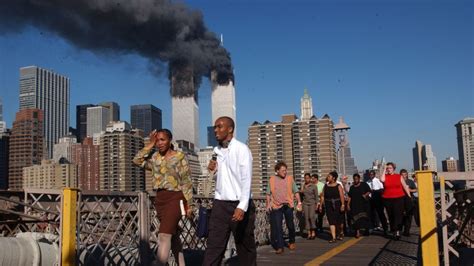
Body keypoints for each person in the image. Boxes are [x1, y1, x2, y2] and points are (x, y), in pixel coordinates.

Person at [133, 129, 193, 266]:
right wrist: (150, 144)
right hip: (160, 199)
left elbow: (187, 181)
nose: (159, 143)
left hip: (176, 198)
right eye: (157, 140)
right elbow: (137, 160)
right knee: (174, 237)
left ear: (170, 140)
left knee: (164, 235)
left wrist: (190, 204)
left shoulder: (179, 156)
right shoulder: (155, 158)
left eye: (162, 140)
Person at [203, 117, 256, 266]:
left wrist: (242, 205)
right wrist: (214, 170)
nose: (215, 130)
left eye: (219, 127)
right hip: (220, 204)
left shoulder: (242, 149)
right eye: (215, 127)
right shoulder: (216, 151)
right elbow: (223, 180)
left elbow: (247, 180)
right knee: (214, 246)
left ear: (230, 129)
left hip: (239, 204)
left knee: (244, 246)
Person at [266, 161, 302, 254]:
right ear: (277, 171)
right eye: (283, 170)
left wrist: (299, 202)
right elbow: (268, 194)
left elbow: (296, 191)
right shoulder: (272, 179)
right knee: (278, 227)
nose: (285, 172)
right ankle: (280, 247)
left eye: (286, 170)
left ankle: (292, 241)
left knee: (290, 225)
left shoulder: (290, 178)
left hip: (288, 205)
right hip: (276, 206)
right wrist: (268, 204)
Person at [380, 162, 412, 240]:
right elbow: (382, 179)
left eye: (390, 168)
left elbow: (404, 186)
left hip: (399, 198)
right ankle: (394, 230)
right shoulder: (385, 176)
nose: (389, 169)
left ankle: (398, 231)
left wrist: (409, 196)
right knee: (390, 215)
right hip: (387, 199)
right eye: (388, 168)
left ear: (394, 168)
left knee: (398, 215)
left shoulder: (399, 176)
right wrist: (384, 169)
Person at [319, 171, 345, 243]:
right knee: (331, 221)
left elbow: (341, 196)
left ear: (333, 178)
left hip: (337, 204)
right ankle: (333, 237)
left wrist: (343, 205)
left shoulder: (338, 186)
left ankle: (340, 232)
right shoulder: (326, 186)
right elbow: (323, 196)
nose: (328, 177)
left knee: (339, 222)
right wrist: (321, 205)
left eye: (329, 176)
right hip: (328, 205)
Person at [347, 174, 371, 238]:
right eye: (354, 179)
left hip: (364, 205)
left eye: (357, 179)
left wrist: (365, 195)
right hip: (355, 205)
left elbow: (369, 191)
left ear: (359, 178)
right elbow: (350, 196)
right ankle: (357, 232)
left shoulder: (364, 184)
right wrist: (348, 204)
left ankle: (367, 230)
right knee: (355, 219)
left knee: (365, 218)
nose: (355, 180)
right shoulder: (352, 187)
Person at [367, 170, 388, 235]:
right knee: (371, 214)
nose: (371, 176)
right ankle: (372, 227)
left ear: (374, 175)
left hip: (378, 198)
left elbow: (382, 188)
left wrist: (376, 191)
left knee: (380, 214)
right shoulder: (367, 182)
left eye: (372, 174)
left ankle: (385, 228)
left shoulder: (378, 180)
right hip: (371, 199)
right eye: (370, 175)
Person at [301, 173, 319, 240]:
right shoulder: (303, 185)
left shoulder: (314, 186)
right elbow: (302, 194)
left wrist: (317, 204)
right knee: (306, 218)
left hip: (312, 203)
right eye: (305, 178)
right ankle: (309, 233)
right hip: (305, 203)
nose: (306, 179)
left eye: (308, 178)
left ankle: (313, 231)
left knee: (311, 217)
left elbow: (316, 196)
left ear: (310, 178)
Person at [401, 170, 418, 236]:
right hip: (400, 200)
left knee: (409, 215)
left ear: (407, 175)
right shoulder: (398, 181)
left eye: (405, 174)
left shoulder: (410, 181)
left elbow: (416, 189)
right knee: (401, 215)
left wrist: (410, 190)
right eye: (402, 175)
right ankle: (399, 230)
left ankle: (406, 231)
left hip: (409, 199)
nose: (404, 176)